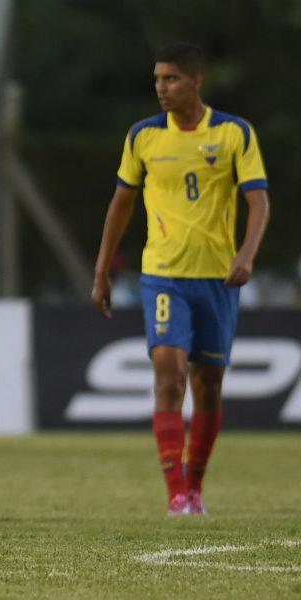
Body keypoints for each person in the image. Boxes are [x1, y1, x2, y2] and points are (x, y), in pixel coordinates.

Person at [91, 42, 270, 516]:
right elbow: (121, 204)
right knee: (169, 376)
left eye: (171, 78)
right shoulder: (143, 136)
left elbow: (258, 202)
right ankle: (175, 495)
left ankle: (195, 486)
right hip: (163, 275)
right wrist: (102, 271)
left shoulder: (234, 133)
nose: (161, 88)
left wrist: (246, 254)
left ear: (196, 81)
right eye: (157, 79)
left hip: (217, 279)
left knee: (208, 384)